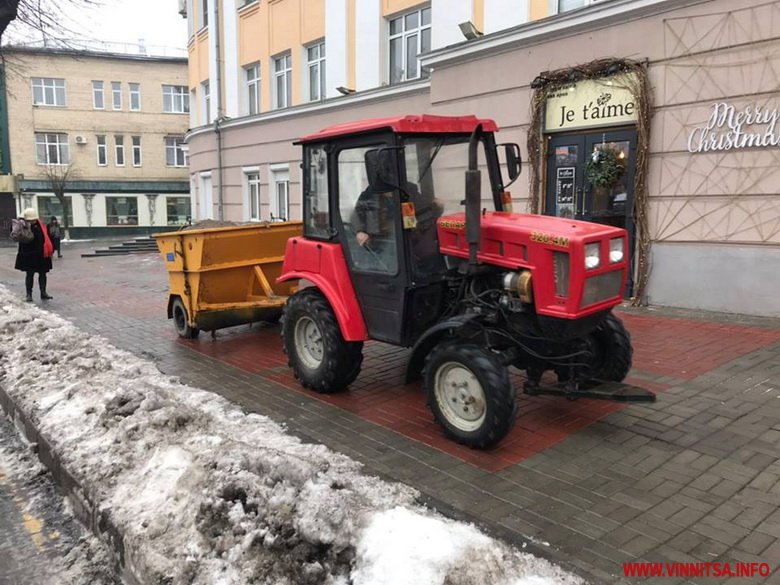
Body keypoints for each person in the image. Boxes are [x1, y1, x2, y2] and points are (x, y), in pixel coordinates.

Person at [15, 208, 54, 302]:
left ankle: (43, 292)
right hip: (29, 255)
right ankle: (29, 294)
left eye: (34, 219)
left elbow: (46, 236)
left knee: (43, 274)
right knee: (30, 275)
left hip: (41, 254)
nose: (33, 221)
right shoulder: (22, 226)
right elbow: (17, 236)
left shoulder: (40, 225)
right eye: (30, 220)